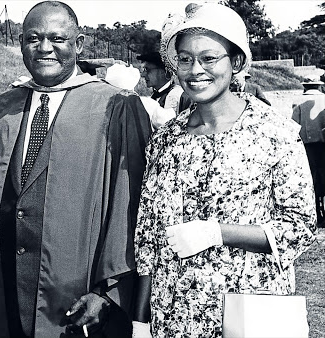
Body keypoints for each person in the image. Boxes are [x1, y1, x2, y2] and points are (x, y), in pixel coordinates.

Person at [132, 3, 316, 337]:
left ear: (237, 63)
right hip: (174, 317)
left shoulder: (274, 133)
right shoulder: (164, 142)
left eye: (209, 58)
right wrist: (140, 321)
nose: (195, 69)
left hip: (248, 316)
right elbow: (148, 241)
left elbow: (300, 227)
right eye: (185, 59)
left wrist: (217, 232)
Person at [0, 1, 151, 337]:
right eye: (32, 38)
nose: (44, 48)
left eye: (57, 38)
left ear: (79, 43)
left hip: (77, 296)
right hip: (5, 285)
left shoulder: (115, 106)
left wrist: (107, 291)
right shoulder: (3, 108)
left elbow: (131, 207)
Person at [292, 74, 325, 227]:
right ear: (319, 86)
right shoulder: (324, 100)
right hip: (323, 145)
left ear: (305, 86)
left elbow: (293, 125)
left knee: (312, 178)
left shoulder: (298, 102)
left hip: (307, 147)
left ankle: (316, 212)